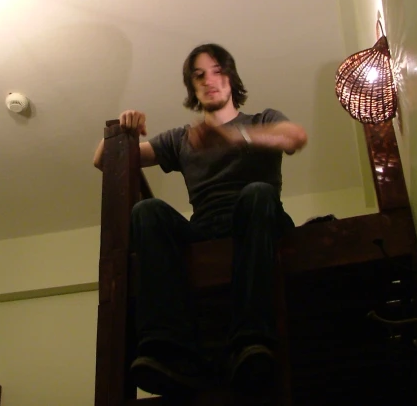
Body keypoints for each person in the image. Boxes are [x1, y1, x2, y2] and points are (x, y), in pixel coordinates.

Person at [93, 44, 307, 397]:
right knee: (147, 211)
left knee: (257, 193)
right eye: (199, 75)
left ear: (231, 78)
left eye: (218, 70)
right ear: (192, 88)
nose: (209, 80)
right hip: (204, 228)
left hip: (257, 220)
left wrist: (230, 136)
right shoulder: (181, 138)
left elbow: (294, 137)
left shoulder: (261, 120)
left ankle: (251, 341)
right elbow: (105, 162)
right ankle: (167, 350)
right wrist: (122, 130)